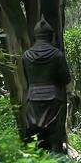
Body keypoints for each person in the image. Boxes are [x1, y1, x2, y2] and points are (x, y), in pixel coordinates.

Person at [22, 16, 71, 153]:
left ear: (36, 36)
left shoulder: (26, 55)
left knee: (33, 131)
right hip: (53, 98)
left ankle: (35, 160)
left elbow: (27, 78)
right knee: (54, 132)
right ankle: (56, 160)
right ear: (50, 36)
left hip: (33, 98)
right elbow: (66, 78)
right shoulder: (57, 55)